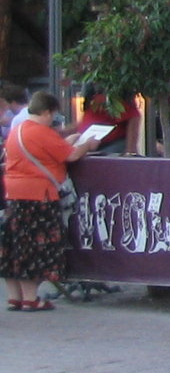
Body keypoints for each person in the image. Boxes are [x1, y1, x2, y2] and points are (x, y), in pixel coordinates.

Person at [4, 90, 100, 312]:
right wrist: (88, 145)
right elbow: (71, 155)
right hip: (39, 194)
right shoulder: (41, 131)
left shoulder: (18, 130)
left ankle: (15, 297)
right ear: (47, 112)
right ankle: (31, 299)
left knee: (13, 247)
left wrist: (69, 141)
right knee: (34, 247)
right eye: (54, 115)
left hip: (14, 194)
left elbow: (50, 150)